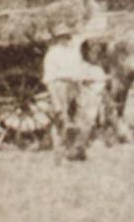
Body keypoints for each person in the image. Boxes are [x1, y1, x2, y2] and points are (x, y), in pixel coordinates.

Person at [42, 31, 108, 161]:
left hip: (75, 86)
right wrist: (55, 100)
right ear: (58, 38)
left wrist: (89, 79)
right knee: (62, 120)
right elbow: (49, 79)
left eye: (69, 37)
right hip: (60, 86)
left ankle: (78, 151)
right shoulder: (52, 54)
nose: (68, 39)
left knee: (82, 119)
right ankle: (60, 155)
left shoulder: (72, 53)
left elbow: (80, 70)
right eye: (65, 37)